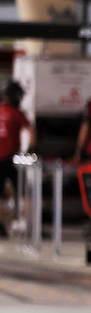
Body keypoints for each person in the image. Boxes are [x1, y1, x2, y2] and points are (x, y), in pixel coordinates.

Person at [0, 81, 32, 220]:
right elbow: (31, 131)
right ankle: (30, 223)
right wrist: (31, 149)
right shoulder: (16, 113)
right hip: (9, 159)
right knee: (24, 191)